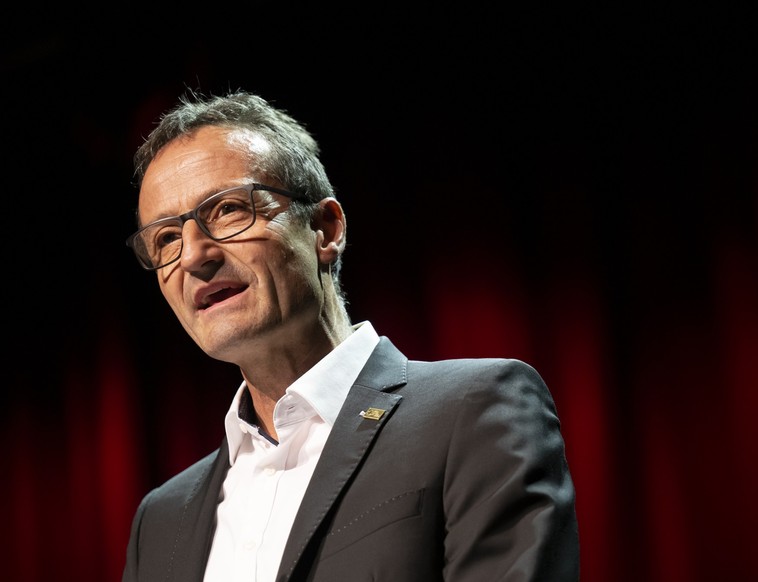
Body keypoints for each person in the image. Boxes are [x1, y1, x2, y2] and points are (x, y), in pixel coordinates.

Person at [121, 89, 579, 582]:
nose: (193, 256)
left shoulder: (473, 411)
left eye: (228, 210)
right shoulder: (161, 519)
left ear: (325, 229)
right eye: (166, 238)